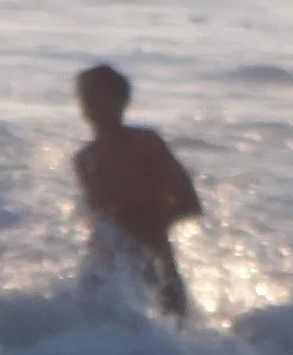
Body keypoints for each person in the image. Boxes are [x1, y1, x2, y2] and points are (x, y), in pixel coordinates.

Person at [73, 64, 200, 319]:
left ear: (120, 101)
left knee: (170, 332)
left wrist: (155, 222)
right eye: (84, 96)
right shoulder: (85, 159)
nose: (88, 104)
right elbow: (98, 220)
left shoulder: (145, 144)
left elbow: (191, 203)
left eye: (96, 95)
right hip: (104, 272)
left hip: (156, 263)